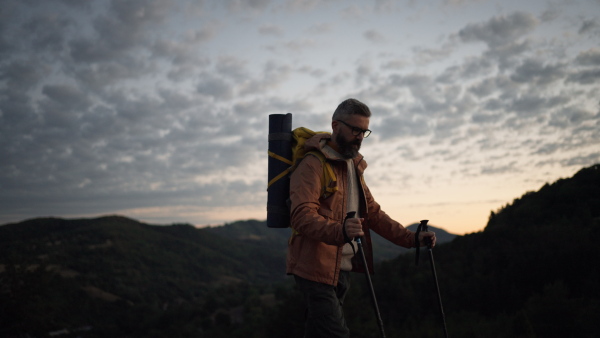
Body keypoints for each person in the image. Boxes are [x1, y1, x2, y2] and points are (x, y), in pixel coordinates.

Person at [286, 98, 437, 338]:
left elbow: (373, 213)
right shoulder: (312, 164)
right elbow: (301, 216)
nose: (359, 136)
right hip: (314, 267)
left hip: (341, 268)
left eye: (364, 131)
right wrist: (341, 231)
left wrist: (412, 238)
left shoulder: (352, 166)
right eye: (355, 129)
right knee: (337, 334)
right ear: (336, 126)